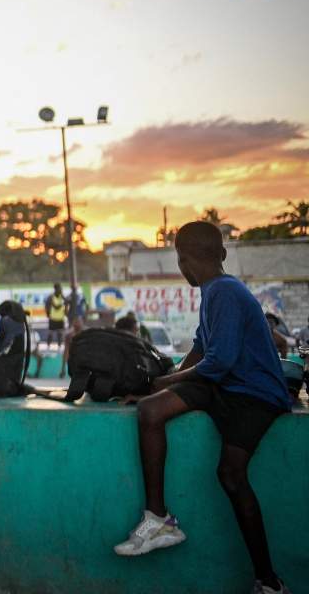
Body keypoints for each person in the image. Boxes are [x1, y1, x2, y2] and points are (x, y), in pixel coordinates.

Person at [113, 222, 291, 594]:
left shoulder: (224, 291)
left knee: (230, 475)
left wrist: (167, 381)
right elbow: (200, 348)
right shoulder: (214, 290)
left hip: (254, 394)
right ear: (222, 254)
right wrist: (155, 390)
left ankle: (269, 581)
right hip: (223, 385)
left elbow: (220, 361)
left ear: (181, 261)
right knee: (150, 412)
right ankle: (158, 519)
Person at [45, 283, 67, 351]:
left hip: (61, 318)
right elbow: (55, 307)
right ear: (56, 289)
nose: (61, 290)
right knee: (50, 334)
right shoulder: (51, 297)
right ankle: (48, 347)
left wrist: (66, 311)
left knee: (60, 334)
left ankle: (59, 347)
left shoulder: (62, 296)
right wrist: (48, 314)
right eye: (60, 288)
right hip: (53, 318)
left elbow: (67, 303)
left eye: (61, 288)